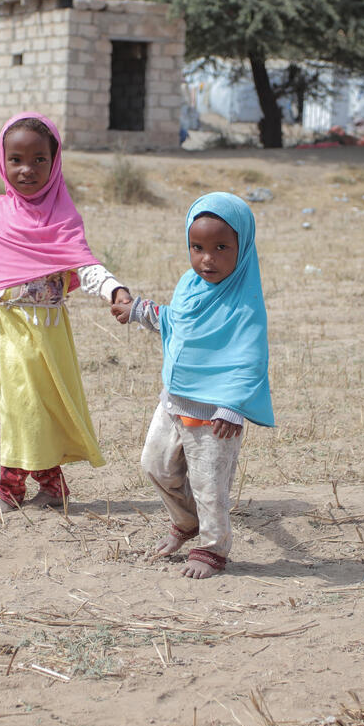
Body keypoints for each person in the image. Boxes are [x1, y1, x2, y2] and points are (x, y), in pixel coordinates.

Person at [0, 112, 133, 515]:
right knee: (20, 406)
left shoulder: (63, 216)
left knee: (44, 407)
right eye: (16, 159)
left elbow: (85, 265)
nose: (27, 169)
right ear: (2, 161)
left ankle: (52, 486)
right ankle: (9, 488)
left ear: (55, 163)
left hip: (51, 332)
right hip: (10, 331)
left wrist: (114, 289)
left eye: (39, 160)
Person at [112, 192, 274, 578]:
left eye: (221, 248)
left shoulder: (244, 301)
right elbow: (176, 322)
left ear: (243, 247)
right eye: (197, 247)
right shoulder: (189, 284)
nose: (207, 259)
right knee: (154, 465)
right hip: (174, 401)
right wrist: (140, 311)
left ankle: (213, 549)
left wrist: (234, 406)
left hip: (216, 413)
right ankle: (186, 523)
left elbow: (251, 358)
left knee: (209, 485)